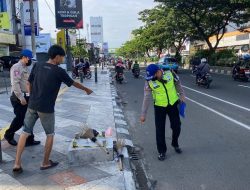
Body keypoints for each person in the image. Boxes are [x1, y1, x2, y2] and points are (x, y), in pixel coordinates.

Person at [13, 45, 93, 174]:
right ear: (57, 57)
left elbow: (29, 83)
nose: (63, 59)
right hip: (46, 108)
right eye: (62, 57)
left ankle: (17, 163)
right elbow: (73, 83)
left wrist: (32, 96)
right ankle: (45, 163)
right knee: (50, 134)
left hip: (32, 105)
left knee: (25, 132)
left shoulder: (37, 65)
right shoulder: (58, 71)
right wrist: (86, 89)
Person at [140, 64, 185, 161]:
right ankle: (162, 151)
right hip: (159, 107)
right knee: (160, 130)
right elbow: (146, 97)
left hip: (173, 104)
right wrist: (143, 114)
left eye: (154, 75)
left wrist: (181, 95)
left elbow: (177, 83)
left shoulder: (170, 73)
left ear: (159, 71)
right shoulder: (149, 81)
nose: (153, 78)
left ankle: (175, 143)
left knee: (176, 126)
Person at [4, 49, 40, 146]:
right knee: (20, 119)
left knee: (28, 118)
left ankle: (29, 139)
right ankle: (8, 135)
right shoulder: (16, 67)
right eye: (29, 59)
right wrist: (21, 98)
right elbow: (15, 84)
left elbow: (27, 83)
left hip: (27, 97)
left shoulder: (26, 68)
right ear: (24, 57)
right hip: (18, 98)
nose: (30, 61)